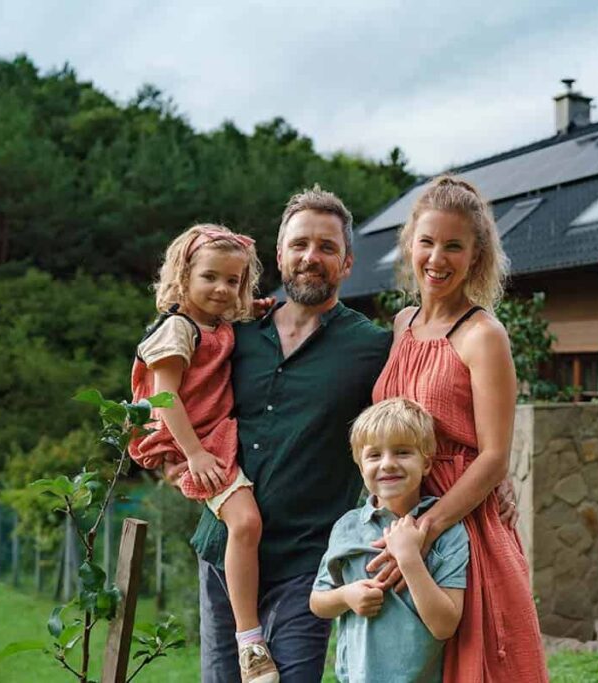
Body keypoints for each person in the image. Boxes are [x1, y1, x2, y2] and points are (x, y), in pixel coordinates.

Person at [179, 187, 392, 682]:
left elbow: (420, 418)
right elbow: (171, 393)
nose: (310, 257)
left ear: (347, 263)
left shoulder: (372, 348)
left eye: (327, 247)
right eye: (299, 244)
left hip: (306, 562)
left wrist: (498, 476)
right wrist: (175, 458)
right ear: (279, 255)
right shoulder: (231, 333)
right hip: (223, 552)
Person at [371, 175, 548, 681]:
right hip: (400, 520)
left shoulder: (483, 335)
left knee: (477, 665)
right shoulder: (402, 325)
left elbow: (493, 456)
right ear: (410, 244)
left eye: (453, 246)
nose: (437, 258)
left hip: (462, 525)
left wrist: (426, 530)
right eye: (427, 242)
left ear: (476, 256)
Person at [129, 224, 280, 683]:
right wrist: (193, 454)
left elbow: (234, 317)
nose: (222, 289)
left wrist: (255, 309)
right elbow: (165, 398)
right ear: (183, 276)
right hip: (190, 439)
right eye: (210, 277)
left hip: (213, 434)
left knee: (246, 524)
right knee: (246, 522)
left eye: (233, 281)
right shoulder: (178, 329)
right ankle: (249, 641)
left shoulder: (218, 323)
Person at [310, 397, 469, 682]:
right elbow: (318, 602)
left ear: (426, 463)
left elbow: (445, 626)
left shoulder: (448, 532)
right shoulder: (347, 527)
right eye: (374, 455)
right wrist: (346, 596)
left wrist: (409, 558)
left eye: (402, 452)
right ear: (361, 467)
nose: (388, 464)